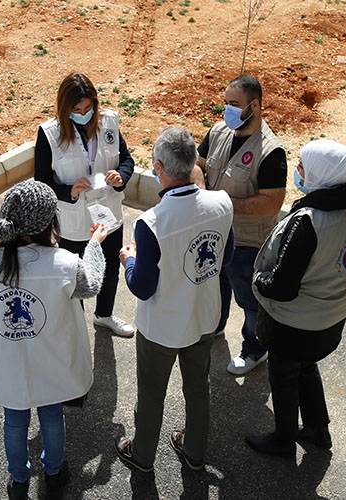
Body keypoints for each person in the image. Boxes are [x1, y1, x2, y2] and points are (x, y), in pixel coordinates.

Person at [0, 181, 107, 500]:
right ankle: (53, 472)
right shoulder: (64, 263)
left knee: (14, 419)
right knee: (52, 414)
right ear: (49, 222)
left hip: (6, 362)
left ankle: (19, 479)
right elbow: (91, 284)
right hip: (50, 362)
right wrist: (95, 242)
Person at [244, 140, 346, 457]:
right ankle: (318, 430)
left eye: (302, 166)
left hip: (295, 325)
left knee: (285, 377)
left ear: (322, 174)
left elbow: (283, 287)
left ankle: (283, 440)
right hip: (333, 317)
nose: (298, 172)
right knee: (306, 367)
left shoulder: (308, 221)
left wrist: (259, 280)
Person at [115, 128, 234, 472]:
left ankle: (142, 455)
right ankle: (194, 451)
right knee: (198, 389)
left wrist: (129, 261)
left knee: (152, 395)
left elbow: (142, 287)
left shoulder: (151, 223)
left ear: (159, 168)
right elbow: (225, 260)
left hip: (162, 327)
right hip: (203, 318)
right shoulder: (221, 203)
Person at [191, 75, 287, 375]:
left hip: (246, 242)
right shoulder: (219, 131)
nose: (227, 111)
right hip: (214, 234)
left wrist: (221, 202)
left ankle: (254, 349)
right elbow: (197, 164)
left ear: (254, 105)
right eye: (226, 103)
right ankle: (214, 328)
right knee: (213, 287)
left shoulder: (270, 151)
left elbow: (271, 202)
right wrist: (202, 190)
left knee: (249, 301)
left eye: (234, 105)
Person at [34, 72, 136, 338]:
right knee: (75, 274)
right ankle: (75, 323)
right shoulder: (50, 133)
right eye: (76, 110)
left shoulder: (109, 122)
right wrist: (68, 190)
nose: (83, 113)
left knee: (111, 268)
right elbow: (42, 181)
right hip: (73, 222)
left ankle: (104, 315)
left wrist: (120, 176)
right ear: (64, 108)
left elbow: (126, 160)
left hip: (108, 214)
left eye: (88, 108)